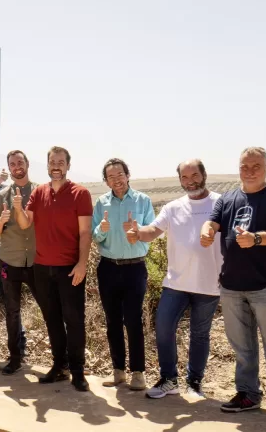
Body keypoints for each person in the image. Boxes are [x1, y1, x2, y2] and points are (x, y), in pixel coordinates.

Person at [201, 147, 266, 426]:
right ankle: (248, 394)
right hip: (232, 285)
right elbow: (212, 222)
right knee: (242, 346)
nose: (250, 171)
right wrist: (207, 232)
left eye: (256, 166)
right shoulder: (228, 198)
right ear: (239, 168)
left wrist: (256, 238)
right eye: (245, 166)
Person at [129, 160, 222, 399]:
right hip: (176, 283)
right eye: (185, 177)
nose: (190, 181)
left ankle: (194, 382)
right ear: (180, 180)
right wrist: (138, 232)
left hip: (208, 283)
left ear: (204, 174)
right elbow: (153, 231)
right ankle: (169, 379)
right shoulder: (172, 207)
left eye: (195, 175)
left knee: (199, 335)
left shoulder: (221, 203)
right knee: (163, 328)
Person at [14, 146, 93, 391]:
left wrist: (82, 263)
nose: (56, 166)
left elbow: (85, 233)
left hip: (70, 268)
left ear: (68, 165)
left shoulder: (80, 193)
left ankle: (78, 371)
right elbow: (25, 224)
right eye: (52, 162)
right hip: (42, 267)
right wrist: (17, 208)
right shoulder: (38, 192)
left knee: (74, 320)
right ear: (47, 165)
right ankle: (60, 366)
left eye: (60, 162)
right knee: (52, 320)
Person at [91, 158, 155, 391]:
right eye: (111, 177)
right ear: (106, 181)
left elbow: (152, 231)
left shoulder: (143, 200)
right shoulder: (101, 203)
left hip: (134, 268)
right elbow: (95, 236)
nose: (116, 180)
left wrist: (137, 233)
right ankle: (118, 371)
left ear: (128, 175)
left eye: (120, 175)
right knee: (113, 321)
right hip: (108, 267)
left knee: (133, 320)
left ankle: (138, 373)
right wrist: (101, 229)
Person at [0, 150, 37, 376]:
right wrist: (2, 219)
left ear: (27, 164)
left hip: (37, 260)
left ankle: (62, 360)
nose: (17, 166)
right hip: (9, 260)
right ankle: (15, 358)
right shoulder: (2, 195)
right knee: (12, 311)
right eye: (12, 164)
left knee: (50, 309)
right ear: (8, 168)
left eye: (20, 162)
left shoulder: (40, 192)